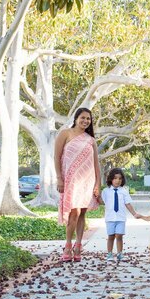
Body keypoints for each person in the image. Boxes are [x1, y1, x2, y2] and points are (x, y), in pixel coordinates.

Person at [55, 107, 100, 262]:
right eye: (83, 118)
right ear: (76, 118)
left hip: (87, 181)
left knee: (82, 213)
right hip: (70, 181)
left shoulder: (91, 140)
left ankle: (79, 245)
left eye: (88, 119)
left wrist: (97, 184)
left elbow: (96, 164)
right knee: (73, 213)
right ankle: (68, 245)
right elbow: (57, 156)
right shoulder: (65, 133)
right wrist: (59, 178)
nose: (86, 121)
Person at [98, 168, 147, 263]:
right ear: (111, 179)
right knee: (111, 236)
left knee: (119, 235)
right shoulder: (106, 191)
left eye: (120, 178)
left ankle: (120, 253)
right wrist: (97, 196)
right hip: (110, 218)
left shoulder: (124, 191)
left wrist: (134, 214)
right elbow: (102, 202)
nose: (117, 180)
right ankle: (109, 254)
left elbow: (128, 203)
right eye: (115, 178)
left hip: (121, 218)